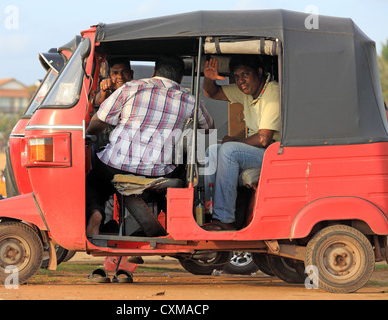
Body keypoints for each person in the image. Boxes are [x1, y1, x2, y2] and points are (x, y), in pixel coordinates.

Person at [85, 55, 214, 236]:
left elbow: (97, 123)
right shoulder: (190, 100)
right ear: (180, 79)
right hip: (157, 173)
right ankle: (154, 228)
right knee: (171, 178)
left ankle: (96, 213)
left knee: (94, 181)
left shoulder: (130, 88)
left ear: (154, 72)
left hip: (114, 166)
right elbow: (209, 128)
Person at [202, 55, 281, 230]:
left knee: (229, 150)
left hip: (274, 154)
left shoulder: (272, 92)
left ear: (259, 72)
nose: (241, 81)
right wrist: (208, 78)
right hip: (259, 151)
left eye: (245, 74)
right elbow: (211, 92)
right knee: (212, 151)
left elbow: (263, 138)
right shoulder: (248, 91)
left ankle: (225, 220)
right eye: (237, 77)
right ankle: (210, 211)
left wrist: (234, 141)